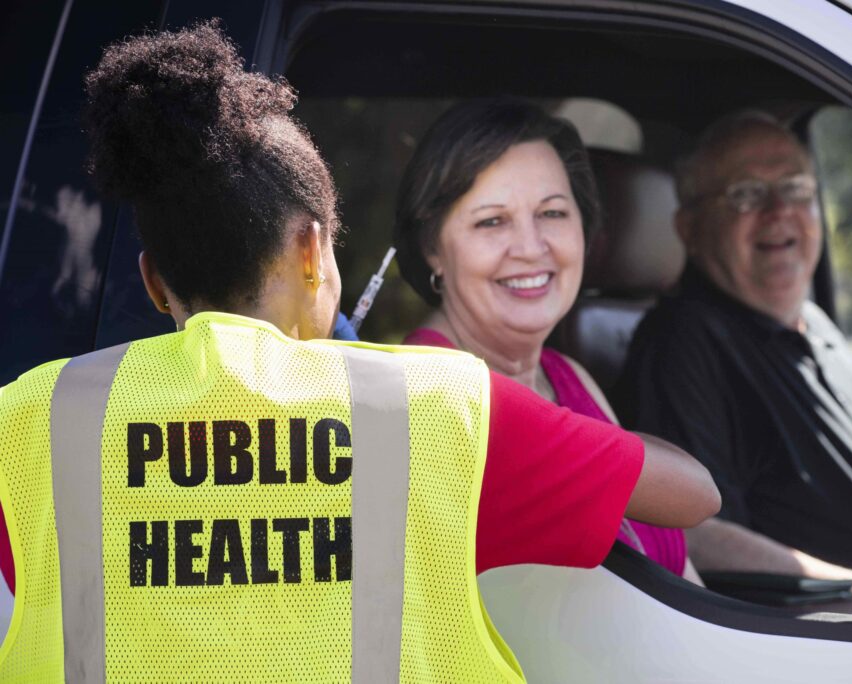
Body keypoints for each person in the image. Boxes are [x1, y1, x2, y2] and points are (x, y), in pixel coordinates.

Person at [0, 24, 718, 681]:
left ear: (154, 280)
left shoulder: (30, 419)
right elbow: (691, 494)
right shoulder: (440, 407)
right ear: (314, 250)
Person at [394, 97, 718, 584]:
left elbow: (683, 584)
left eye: (552, 213)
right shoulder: (437, 395)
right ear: (433, 249)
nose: (530, 247)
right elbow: (699, 495)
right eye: (491, 221)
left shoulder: (566, 375)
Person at [617, 111, 852, 585]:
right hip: (836, 634)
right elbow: (694, 535)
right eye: (746, 194)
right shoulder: (684, 340)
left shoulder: (813, 322)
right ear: (690, 228)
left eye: (796, 188)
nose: (780, 210)